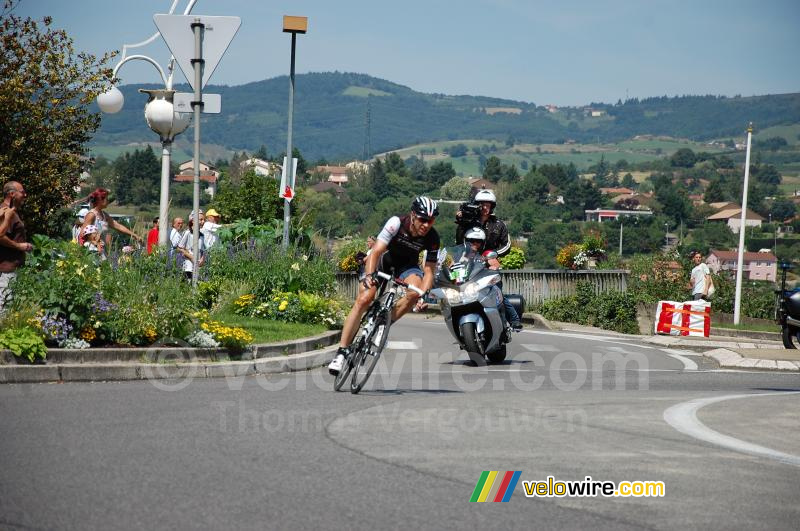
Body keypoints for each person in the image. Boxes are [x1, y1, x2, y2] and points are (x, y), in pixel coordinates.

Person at [328, 196, 441, 375]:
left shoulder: (433, 237)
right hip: (383, 260)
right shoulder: (396, 223)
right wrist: (370, 275)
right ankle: (341, 352)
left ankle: (383, 323)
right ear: (413, 215)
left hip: (407, 266)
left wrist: (422, 294)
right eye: (423, 219)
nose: (426, 225)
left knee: (414, 292)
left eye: (431, 220)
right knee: (364, 299)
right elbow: (376, 251)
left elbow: (429, 271)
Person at [455, 189, 521, 330]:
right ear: (477, 205)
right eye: (482, 204)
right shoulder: (469, 222)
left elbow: (507, 245)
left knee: (496, 293)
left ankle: (511, 321)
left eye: (488, 205)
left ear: (492, 206)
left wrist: (492, 254)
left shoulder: (498, 224)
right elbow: (459, 241)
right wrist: (461, 222)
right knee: (459, 290)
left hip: (490, 264)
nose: (485, 207)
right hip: (471, 263)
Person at [0, 181, 33, 314]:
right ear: (12, 194)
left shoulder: (11, 212)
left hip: (11, 268)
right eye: (22, 192)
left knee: (8, 308)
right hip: (6, 270)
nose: (25, 195)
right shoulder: (6, 212)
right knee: (4, 309)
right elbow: (0, 236)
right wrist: (19, 246)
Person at [178, 215, 205, 281]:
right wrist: (191, 257)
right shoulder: (187, 233)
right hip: (188, 266)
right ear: (193, 221)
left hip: (198, 267)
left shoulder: (202, 235)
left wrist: (202, 259)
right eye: (201, 219)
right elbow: (179, 248)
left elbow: (203, 250)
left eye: (204, 220)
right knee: (189, 284)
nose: (203, 221)